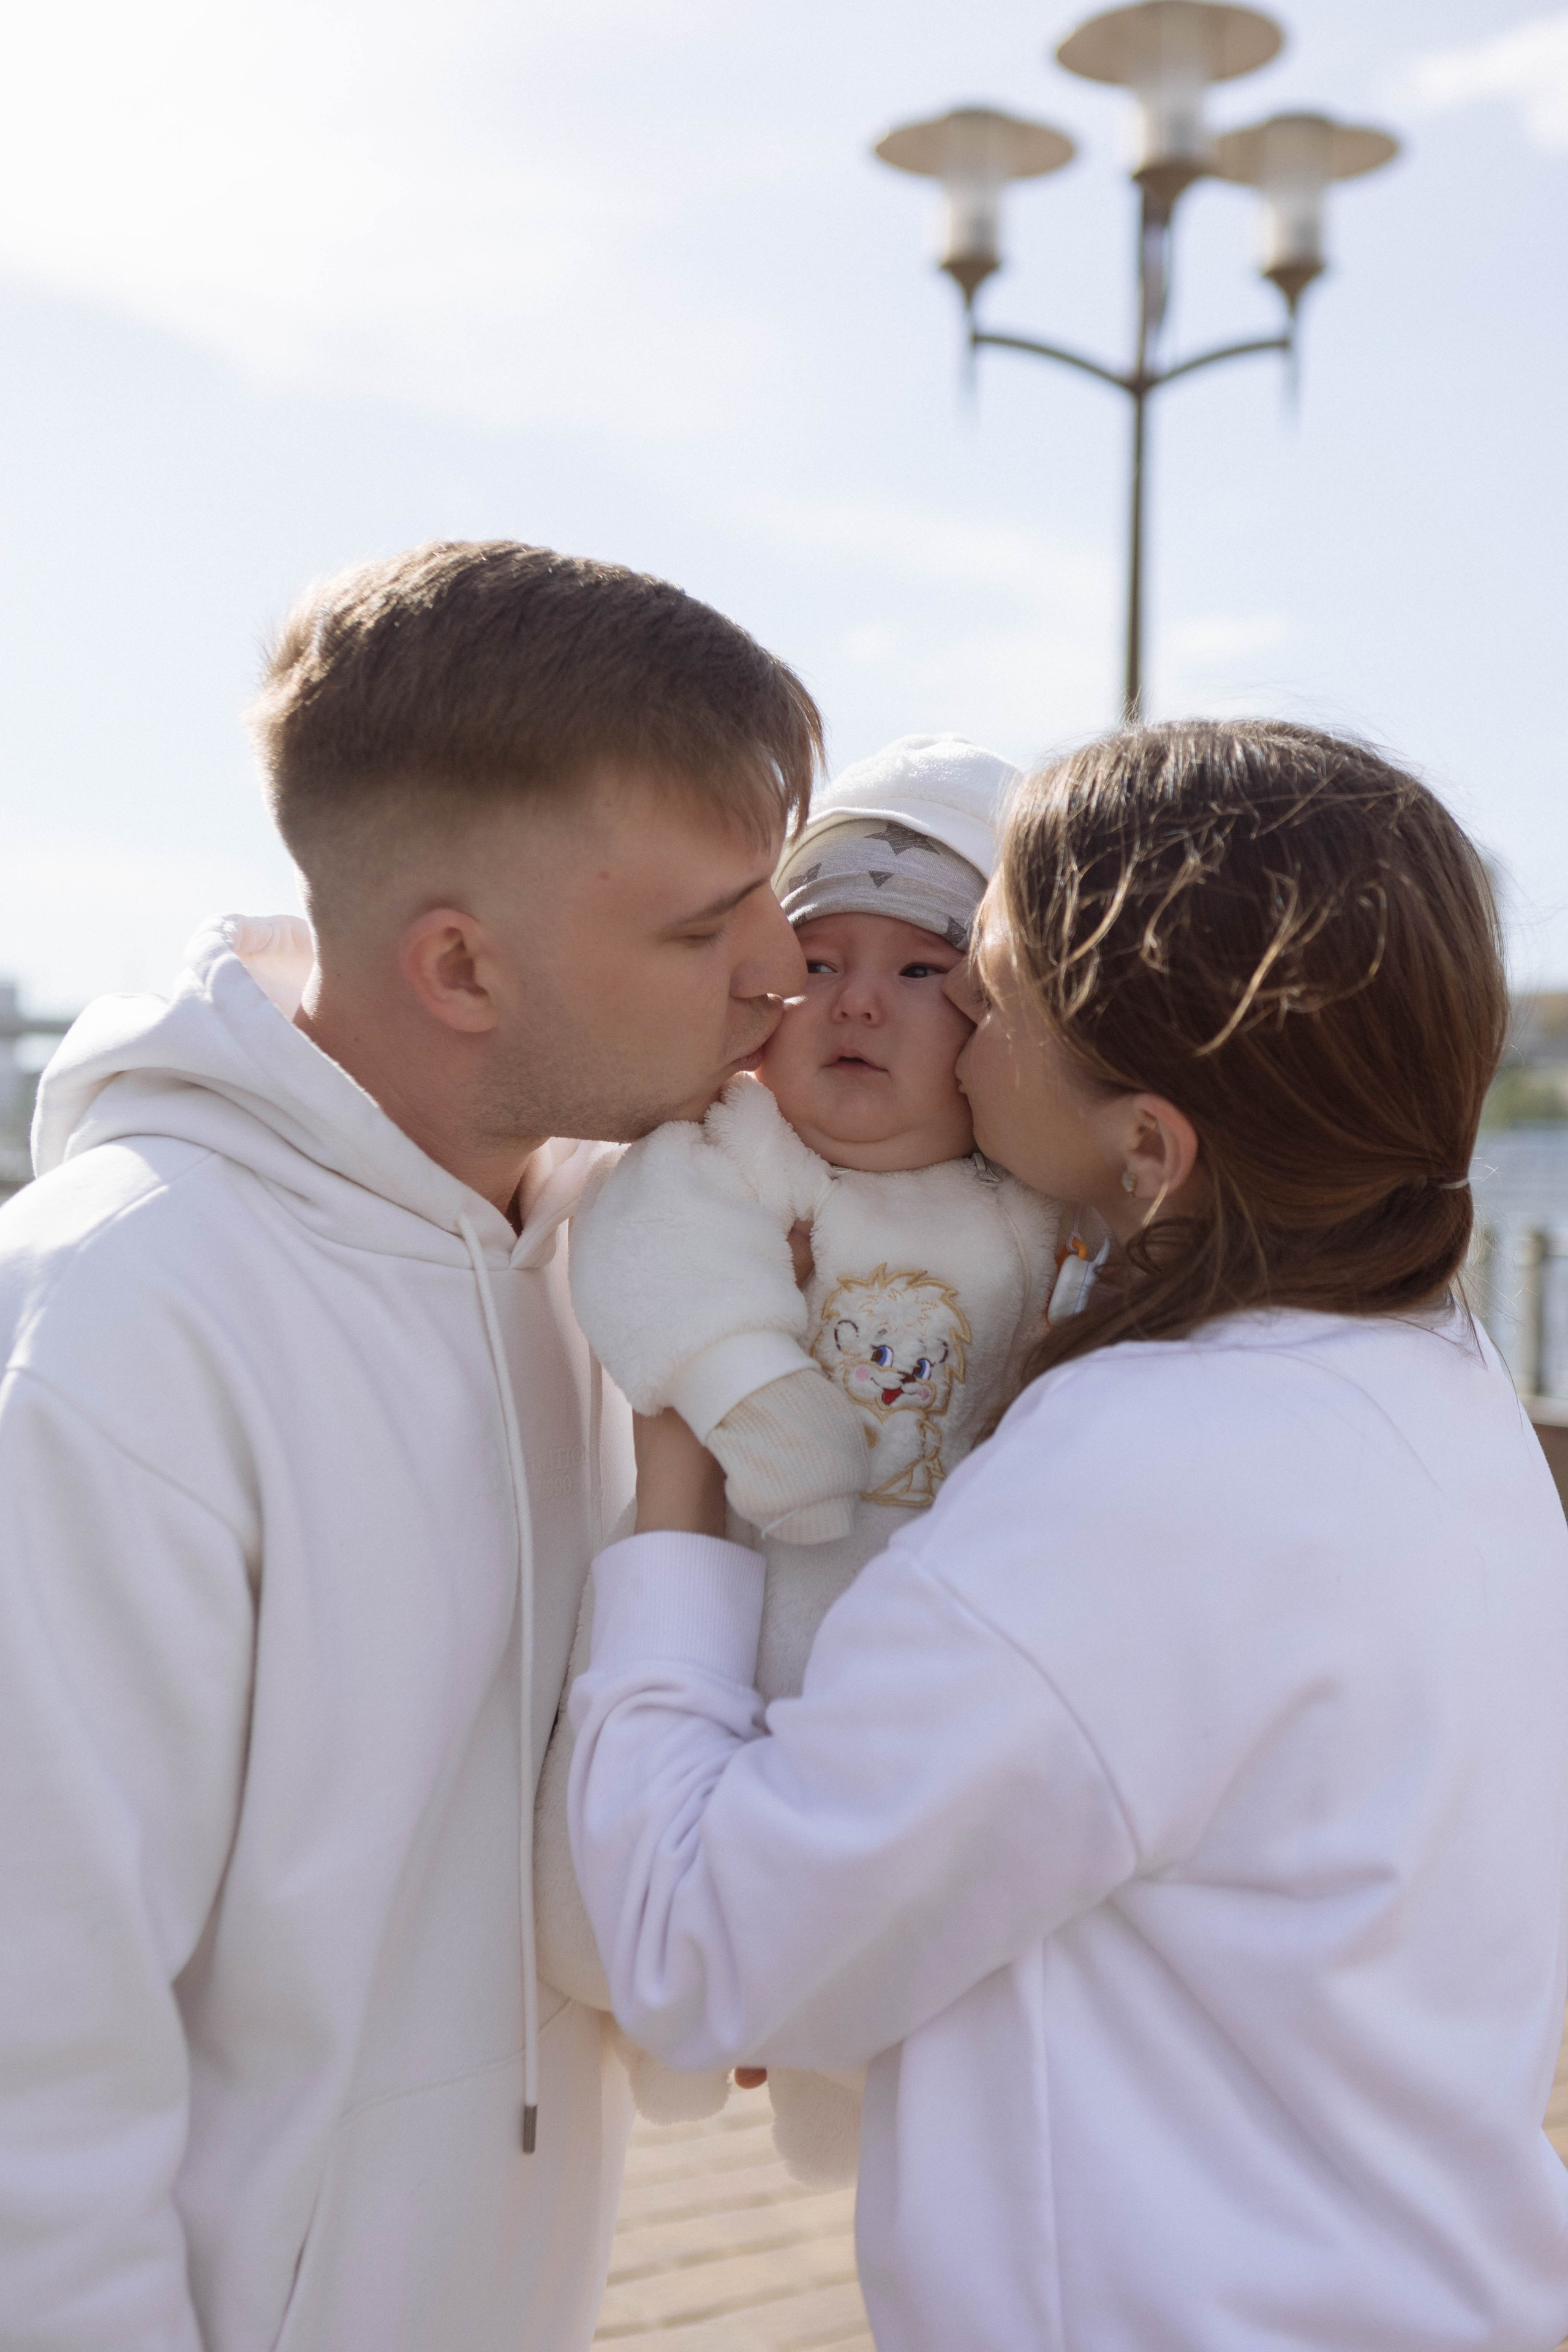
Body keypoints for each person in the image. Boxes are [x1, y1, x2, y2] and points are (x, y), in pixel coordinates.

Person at [568, 718, 1568, 2352]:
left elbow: (706, 1947)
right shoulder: (1433, 1385)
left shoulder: (1153, 1478)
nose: (949, 1039)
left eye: (993, 992)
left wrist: (675, 1485)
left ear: (1152, 1147)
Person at [0, 541, 818, 2352]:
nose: (787, 969)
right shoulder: (117, 1327)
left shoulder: (625, 1261)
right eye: (706, 926)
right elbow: (30, 2056)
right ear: (459, 966)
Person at [535, 736, 1066, 2180]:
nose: (856, 1006)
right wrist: (750, 1387)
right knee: (643, 1876)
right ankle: (676, 2047)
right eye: (819, 959)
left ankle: (849, 2105)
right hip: (740, 1608)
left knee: (886, 1938)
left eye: (917, 974)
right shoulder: (745, 1149)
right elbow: (651, 1249)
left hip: (908, 1648)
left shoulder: (1028, 1207)